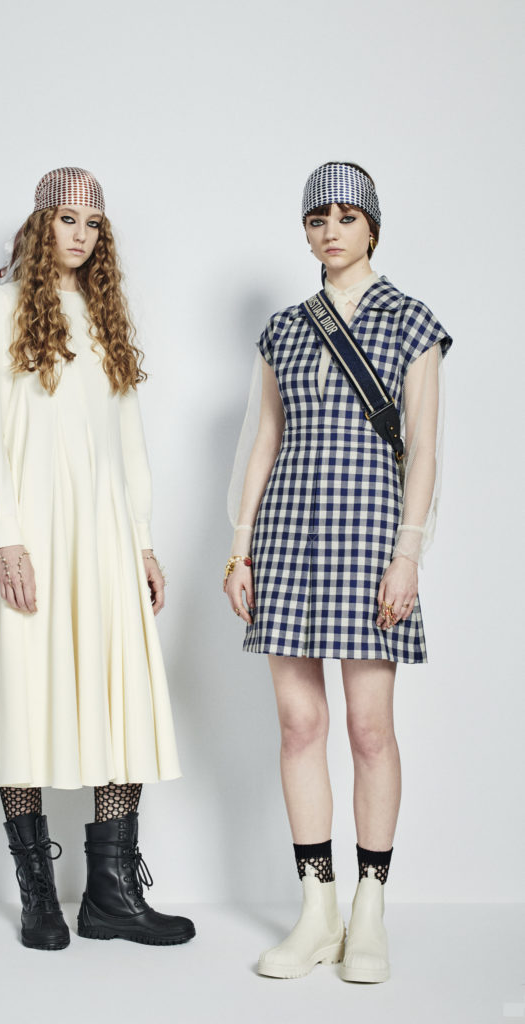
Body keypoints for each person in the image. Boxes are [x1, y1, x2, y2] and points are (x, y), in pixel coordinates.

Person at [0, 166, 195, 951]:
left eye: (92, 223)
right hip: (33, 529)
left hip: (103, 529)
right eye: (66, 218)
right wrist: (5, 534)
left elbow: (126, 437)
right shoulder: (3, 305)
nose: (79, 234)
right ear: (40, 223)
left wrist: (141, 538)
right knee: (23, 691)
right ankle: (38, 894)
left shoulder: (106, 312)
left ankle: (112, 895)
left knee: (119, 694)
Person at [225, 161, 451, 983]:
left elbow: (423, 447)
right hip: (288, 533)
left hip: (369, 538)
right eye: (316, 217)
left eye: (346, 216)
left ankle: (369, 908)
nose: (330, 230)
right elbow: (264, 439)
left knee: (368, 729)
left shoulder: (410, 320)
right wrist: (240, 544)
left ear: (371, 227)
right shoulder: (284, 329)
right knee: (298, 727)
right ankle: (316, 909)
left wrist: (408, 551)